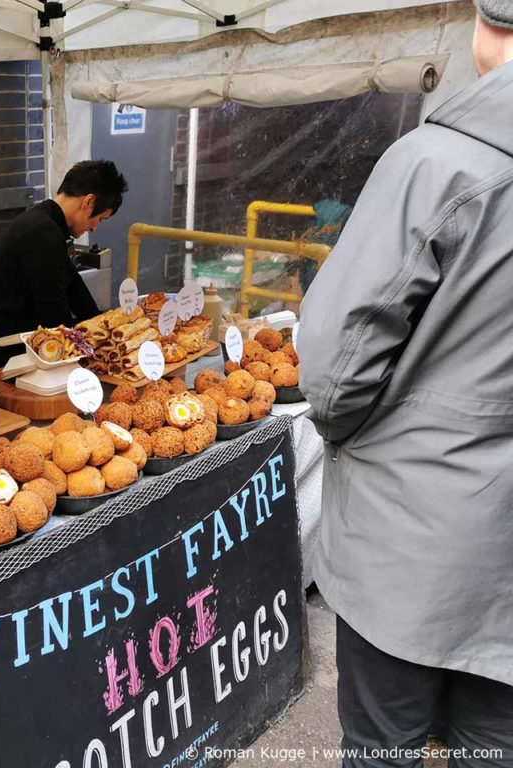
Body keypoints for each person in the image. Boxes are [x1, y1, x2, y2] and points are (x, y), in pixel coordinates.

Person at [298, 2, 513, 765]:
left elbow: (331, 365)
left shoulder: (438, 162)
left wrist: (354, 434)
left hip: (410, 535)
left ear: (492, 31)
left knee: (382, 747)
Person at [0, 160, 127, 368]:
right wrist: (82, 353)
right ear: (89, 202)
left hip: (2, 344)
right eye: (101, 219)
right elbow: (54, 314)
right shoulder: (43, 232)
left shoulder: (45, 222)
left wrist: (104, 328)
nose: (95, 228)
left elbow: (73, 287)